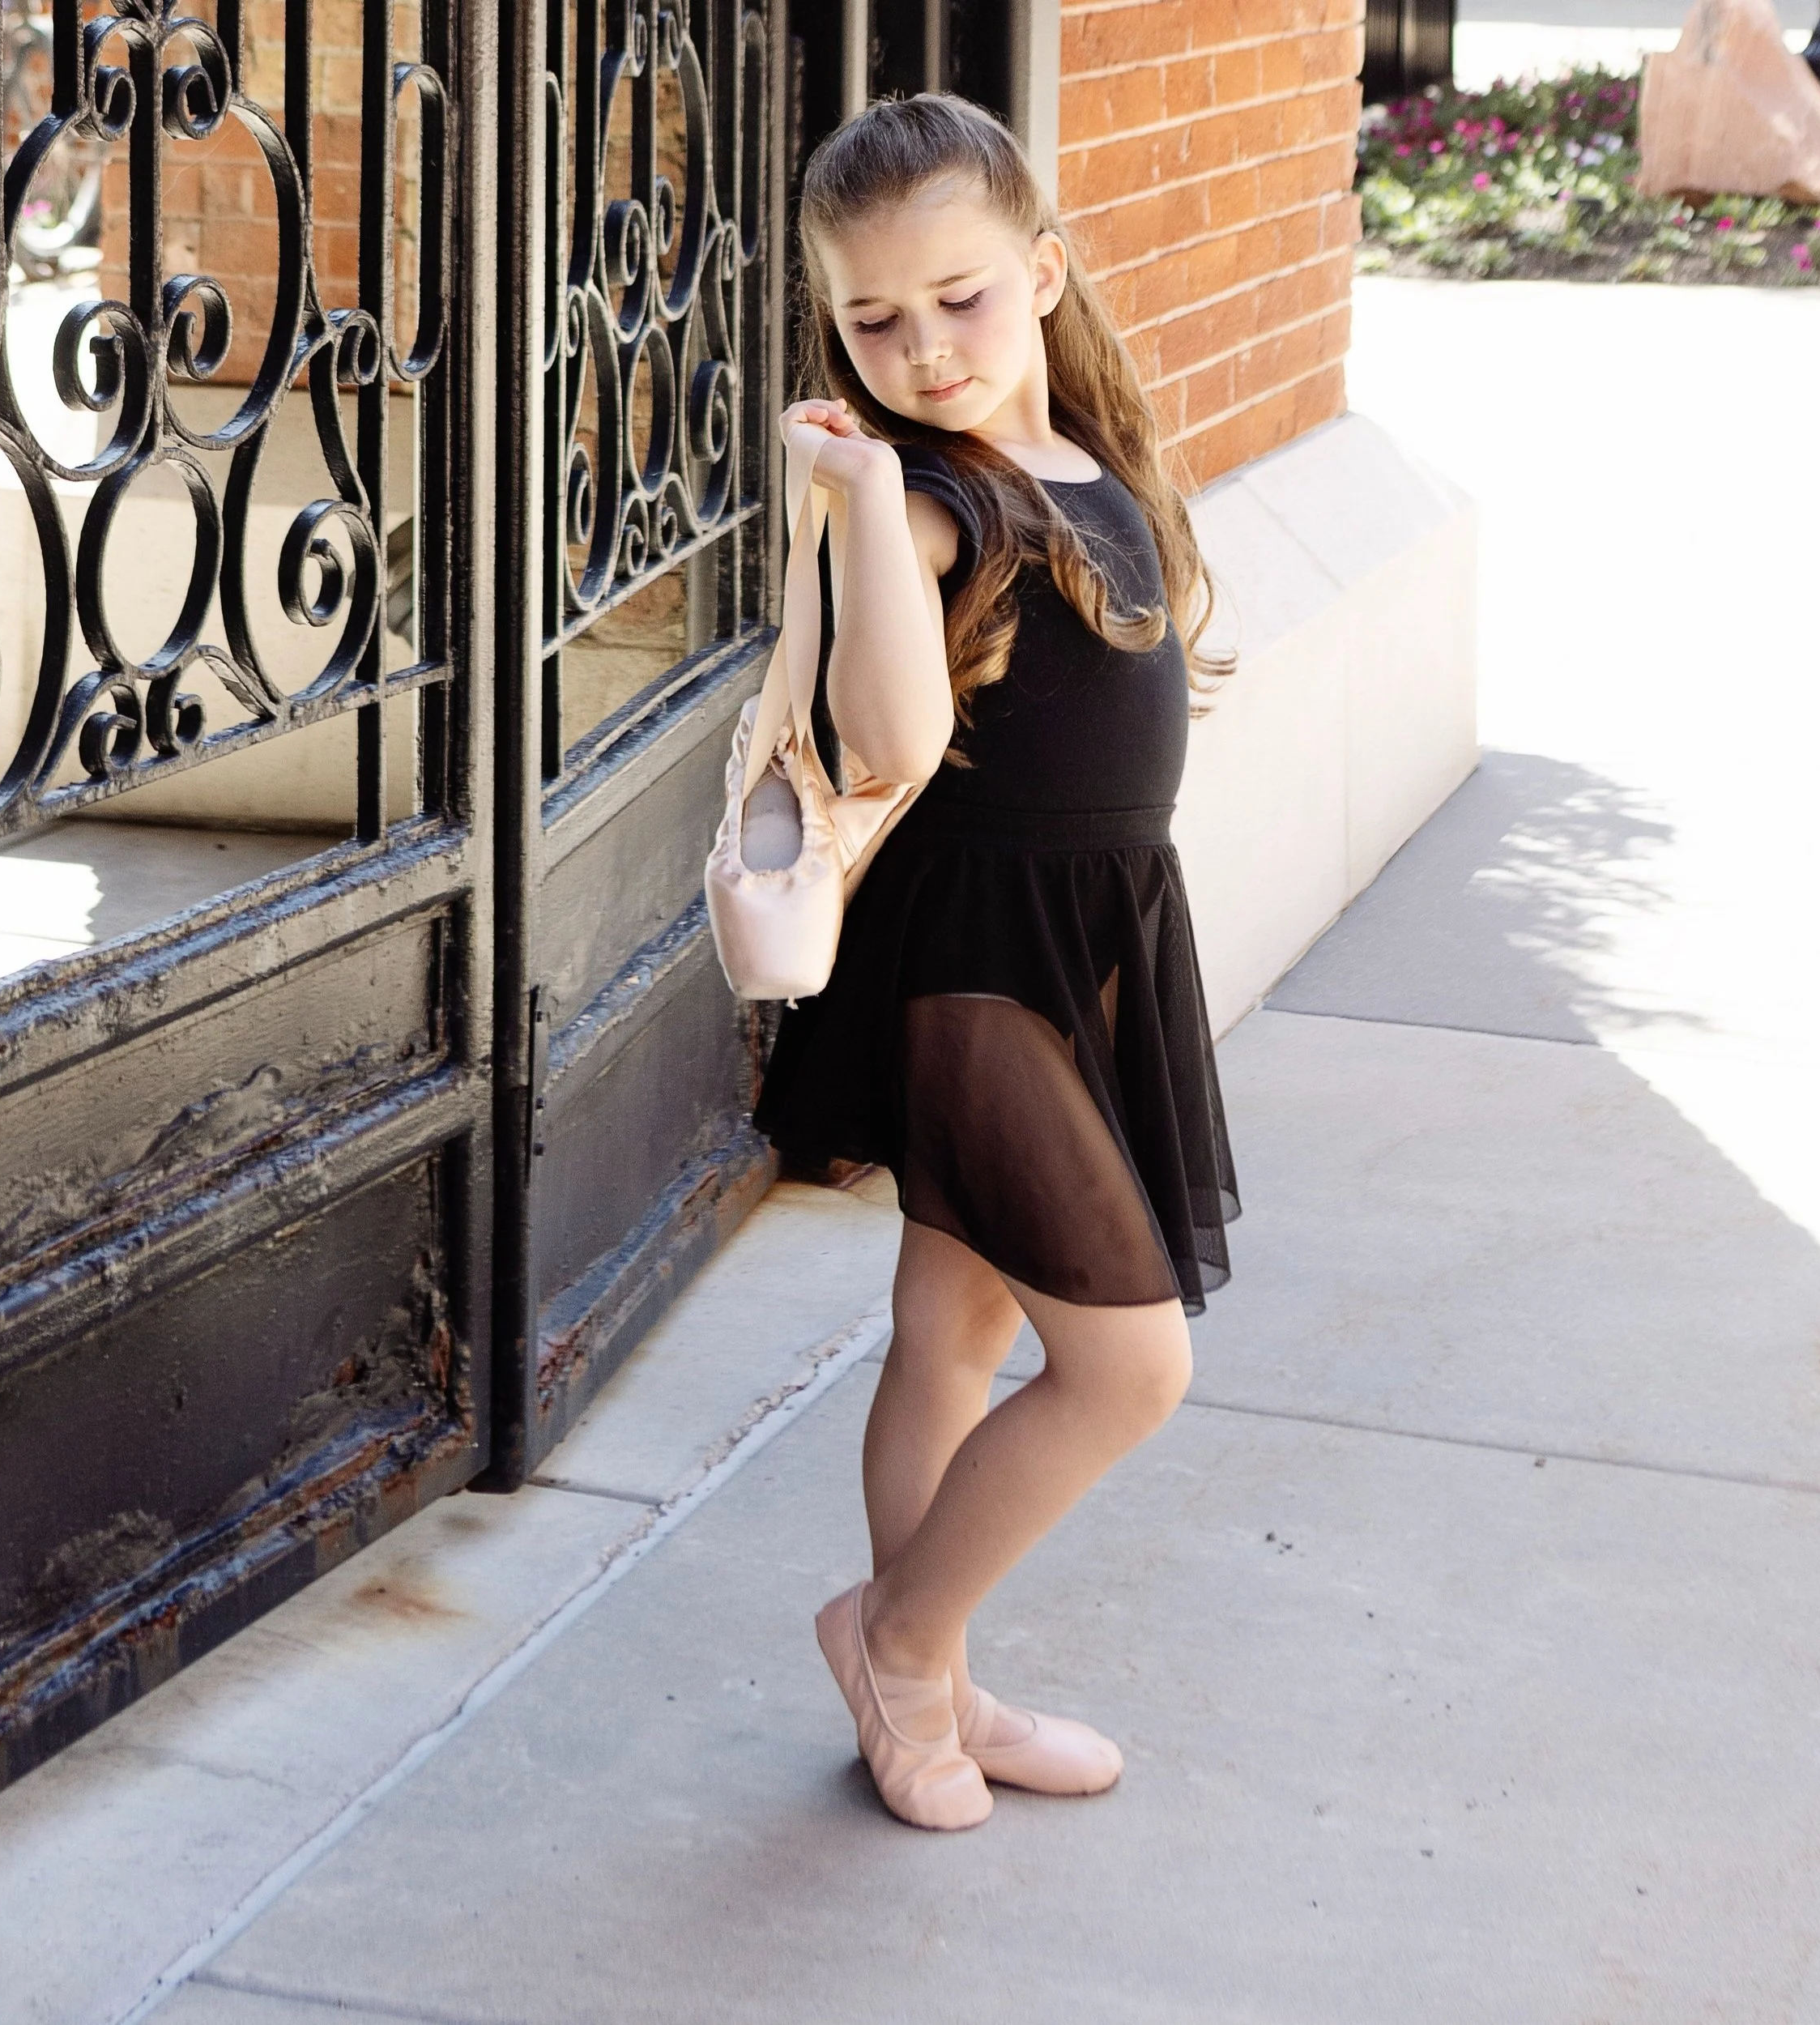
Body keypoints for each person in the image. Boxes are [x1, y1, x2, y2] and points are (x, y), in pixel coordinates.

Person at [753, 93, 1240, 1831]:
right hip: (972, 971)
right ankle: (896, 1632)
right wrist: (864, 497)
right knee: (1127, 1365)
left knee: (947, 1330)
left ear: (1039, 271)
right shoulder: (931, 499)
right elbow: (884, 733)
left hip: (1089, 945)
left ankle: (938, 1682)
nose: (920, 346)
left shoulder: (1093, 465)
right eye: (871, 319)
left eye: (956, 298)